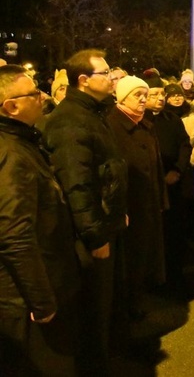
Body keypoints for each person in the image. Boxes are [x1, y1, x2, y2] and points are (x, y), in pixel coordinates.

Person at [43, 49, 128, 374]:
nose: (111, 78)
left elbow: (106, 170)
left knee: (104, 307)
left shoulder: (92, 113)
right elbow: (77, 185)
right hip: (90, 236)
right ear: (83, 80)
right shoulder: (70, 121)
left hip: (106, 222)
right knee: (93, 309)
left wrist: (117, 212)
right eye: (105, 73)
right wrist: (95, 236)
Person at [0, 65, 81, 376]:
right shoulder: (10, 154)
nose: (43, 96)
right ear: (12, 106)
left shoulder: (23, 142)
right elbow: (14, 234)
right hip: (23, 301)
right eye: (33, 93)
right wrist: (42, 300)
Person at [108, 75, 167, 315]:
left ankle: (139, 296)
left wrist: (161, 198)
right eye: (137, 95)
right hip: (128, 204)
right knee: (128, 257)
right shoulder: (111, 126)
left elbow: (157, 166)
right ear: (122, 97)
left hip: (148, 201)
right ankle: (127, 306)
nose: (144, 100)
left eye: (146, 94)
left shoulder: (145, 125)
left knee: (143, 253)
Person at [143, 72, 193, 295]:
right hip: (149, 186)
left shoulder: (171, 120)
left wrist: (177, 170)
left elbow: (184, 146)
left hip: (173, 183)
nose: (160, 98)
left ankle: (175, 275)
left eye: (161, 94)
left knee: (174, 233)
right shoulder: (140, 121)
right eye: (154, 94)